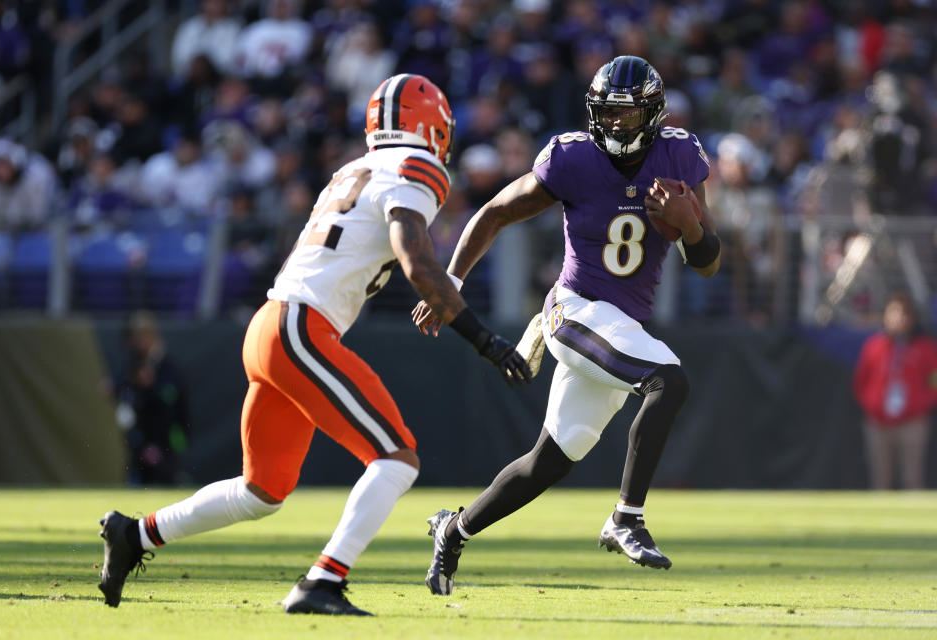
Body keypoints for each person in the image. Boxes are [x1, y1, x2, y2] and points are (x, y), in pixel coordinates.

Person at [97, 74, 531, 616]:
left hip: (270, 325)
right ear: (432, 128)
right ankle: (321, 582)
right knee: (396, 457)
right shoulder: (416, 167)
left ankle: (135, 535)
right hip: (302, 327)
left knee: (262, 490)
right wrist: (484, 340)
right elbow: (417, 263)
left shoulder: (353, 169)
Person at [412, 56, 722, 595]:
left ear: (652, 115)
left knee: (549, 461)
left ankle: (453, 531)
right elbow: (494, 213)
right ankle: (627, 518)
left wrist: (692, 224)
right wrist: (452, 284)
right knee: (668, 380)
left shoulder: (679, 156)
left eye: (627, 115)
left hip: (620, 326)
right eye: (607, 114)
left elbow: (709, 261)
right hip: (575, 310)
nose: (616, 125)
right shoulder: (572, 159)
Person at [852, 292, 937, 490]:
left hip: (913, 422)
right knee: (880, 479)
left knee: (912, 478)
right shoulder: (874, 346)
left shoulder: (926, 349)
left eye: (904, 314)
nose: (898, 318)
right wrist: (872, 406)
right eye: (894, 312)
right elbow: (861, 381)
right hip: (878, 422)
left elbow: (934, 380)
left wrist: (922, 403)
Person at [113, 311, 191, 486]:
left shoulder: (167, 366)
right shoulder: (137, 362)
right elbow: (124, 383)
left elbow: (172, 401)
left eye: (140, 338)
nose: (137, 343)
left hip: (166, 435)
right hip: (141, 435)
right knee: (139, 479)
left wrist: (152, 386)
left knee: (166, 479)